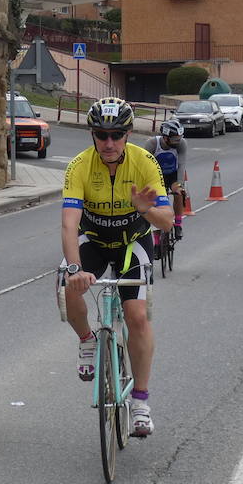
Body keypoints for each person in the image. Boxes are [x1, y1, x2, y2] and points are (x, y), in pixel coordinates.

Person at [61, 97, 173, 438]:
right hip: (92, 240)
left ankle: (140, 401)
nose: (109, 143)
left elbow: (166, 222)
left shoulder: (145, 162)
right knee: (68, 285)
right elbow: (69, 225)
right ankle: (86, 340)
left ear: (127, 134)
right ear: (93, 135)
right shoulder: (79, 166)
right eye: (101, 135)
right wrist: (74, 269)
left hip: (131, 243)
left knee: (137, 317)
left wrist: (144, 210)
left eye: (117, 135)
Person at [140, 118, 188, 240]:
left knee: (179, 193)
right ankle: (156, 240)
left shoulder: (182, 144)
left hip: (172, 175)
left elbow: (182, 164)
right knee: (157, 204)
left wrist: (180, 186)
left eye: (179, 138)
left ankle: (178, 224)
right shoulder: (151, 144)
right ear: (165, 137)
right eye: (174, 139)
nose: (178, 141)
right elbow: (143, 167)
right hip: (155, 177)